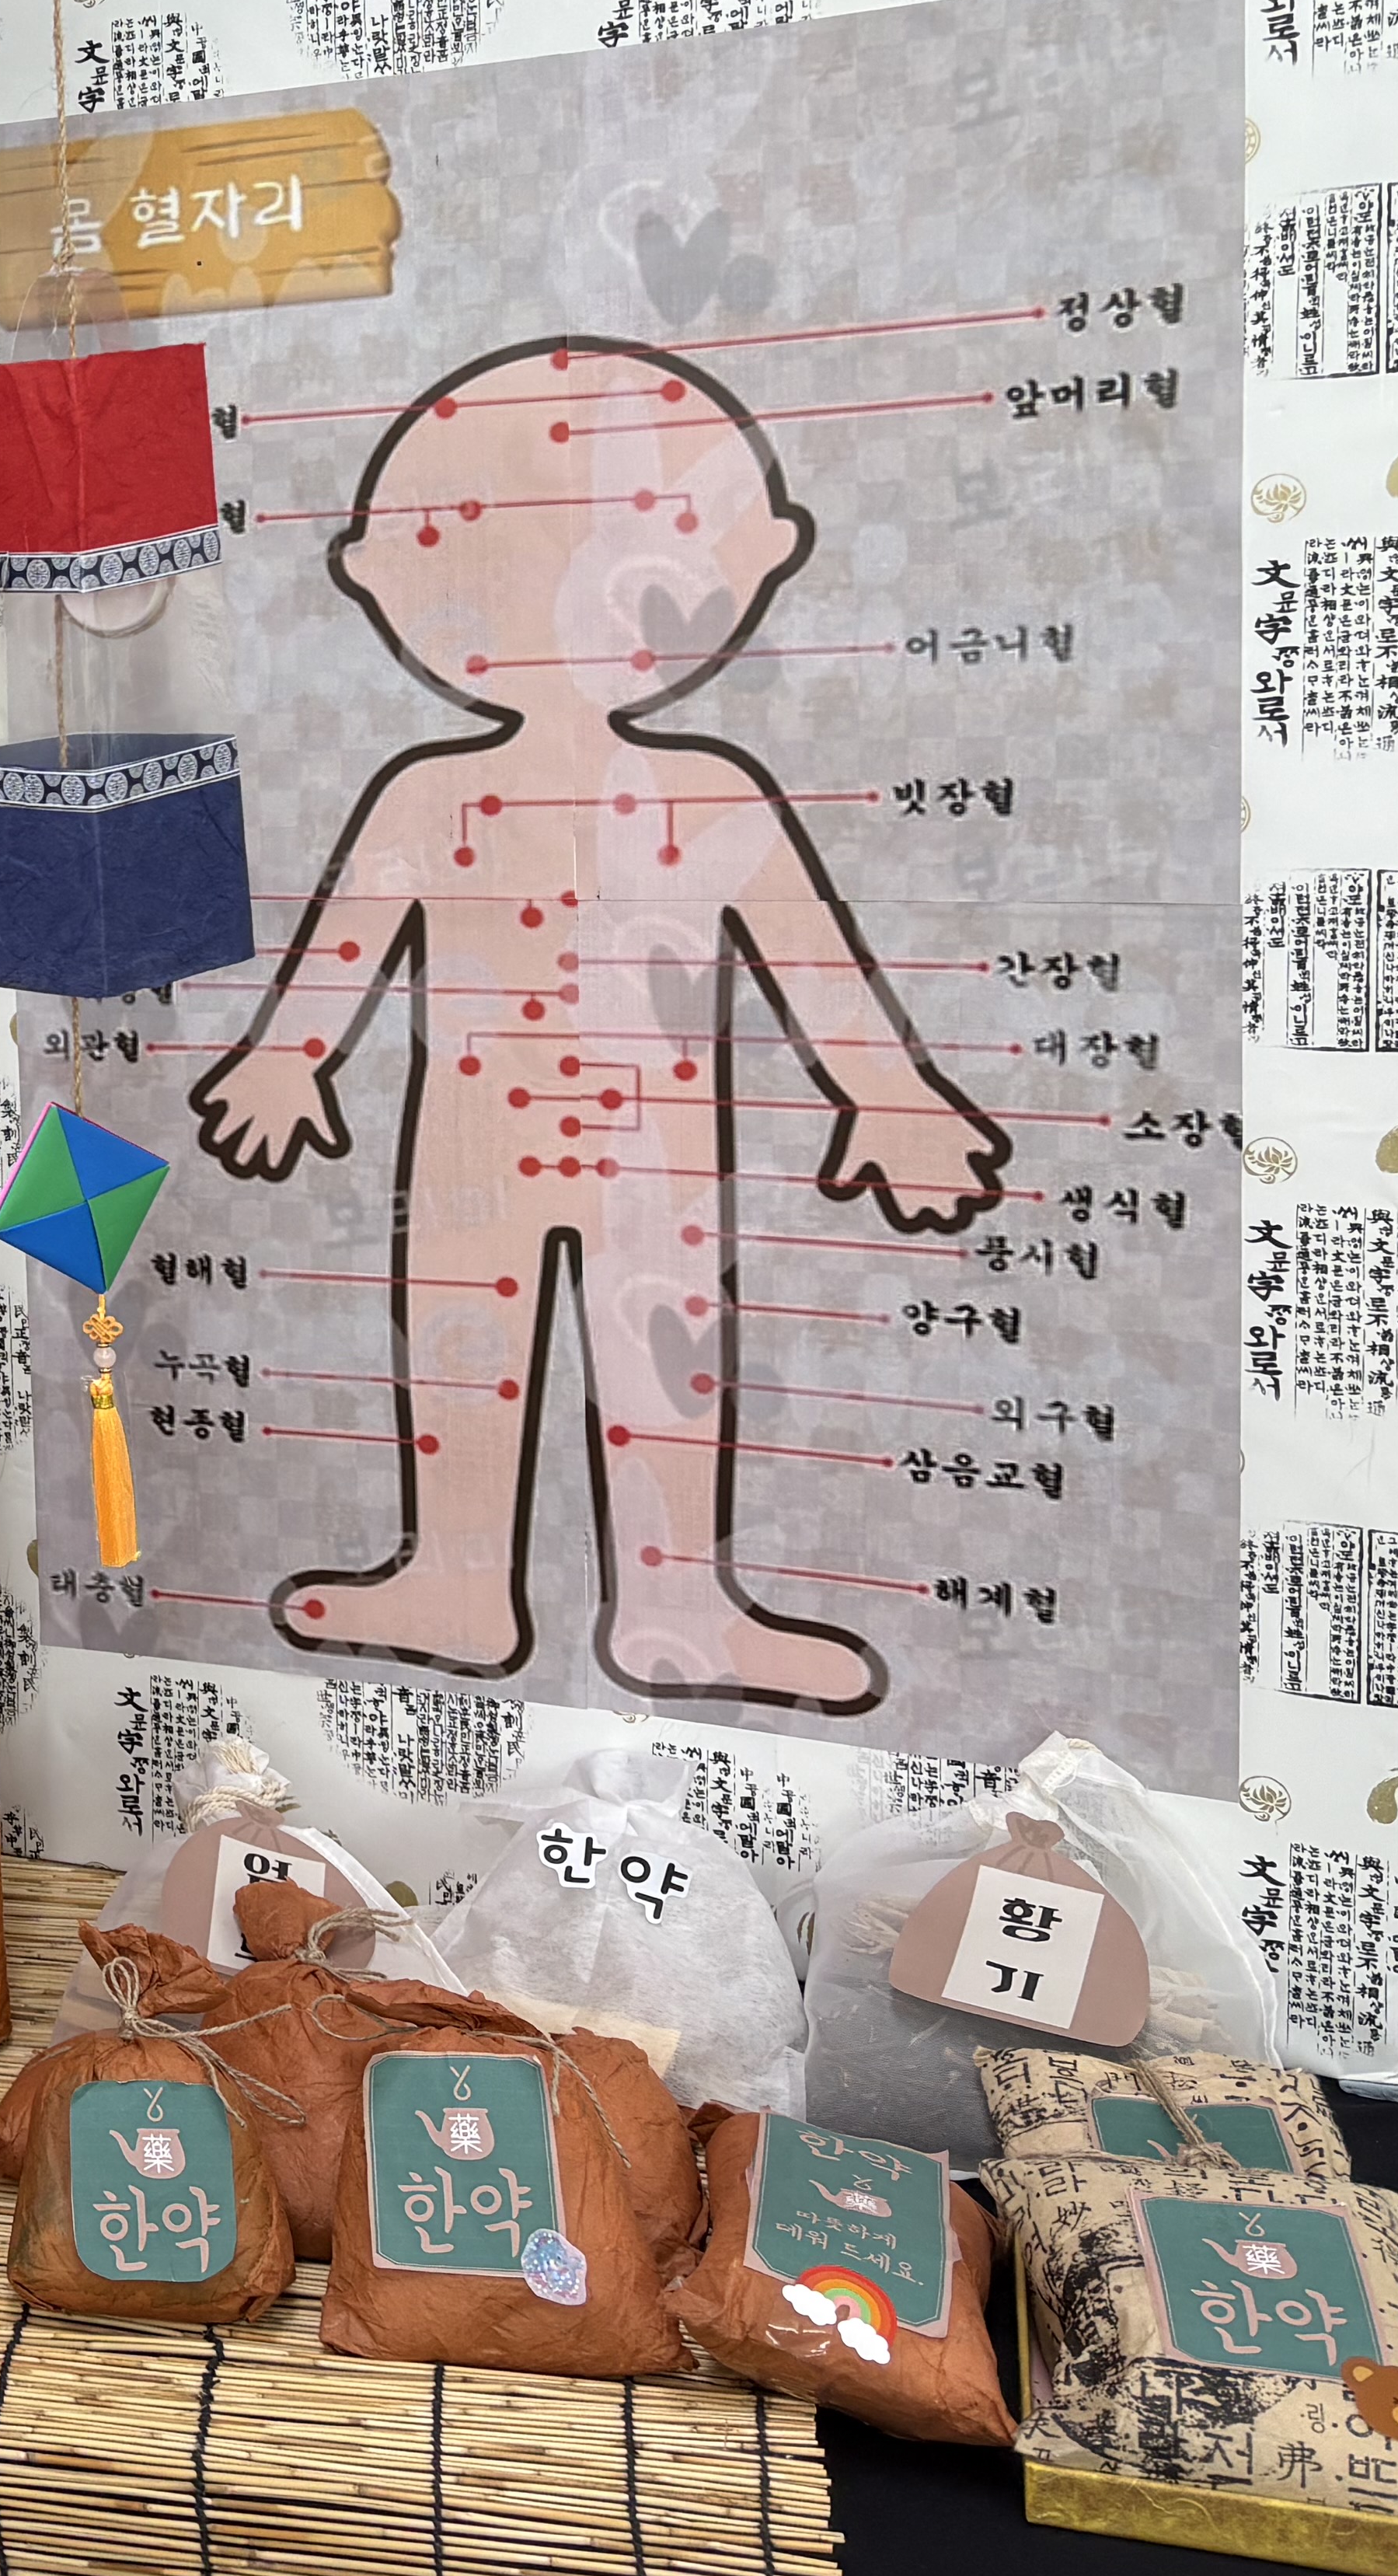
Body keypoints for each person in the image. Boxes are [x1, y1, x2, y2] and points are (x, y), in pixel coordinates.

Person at [186, 337, 1005, 1715]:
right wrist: (288, 1052)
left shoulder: (715, 794)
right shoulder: (426, 796)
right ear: (383, 577)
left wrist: (891, 1091)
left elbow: (810, 958)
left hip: (655, 1157)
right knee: (460, 1351)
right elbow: (349, 942)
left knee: (665, 1363)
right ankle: (454, 1580)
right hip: (467, 1151)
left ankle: (682, 1605)